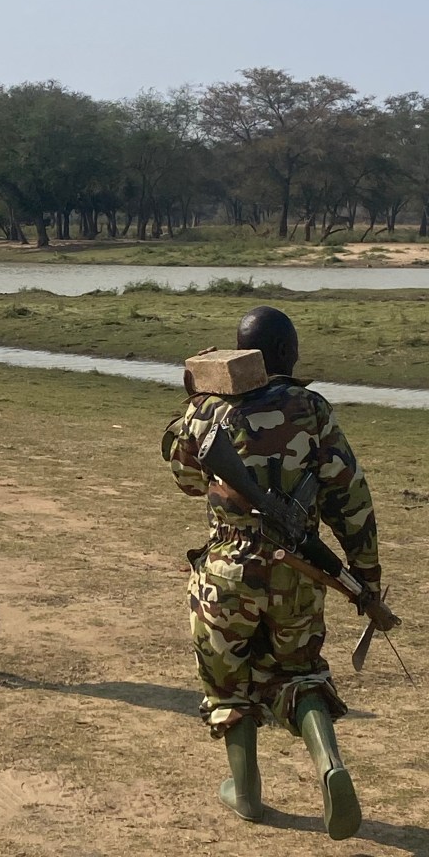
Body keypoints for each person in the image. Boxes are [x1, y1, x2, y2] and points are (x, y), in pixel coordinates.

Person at [162, 306, 397, 840]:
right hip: (297, 571)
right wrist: (366, 579)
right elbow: (350, 499)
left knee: (228, 686)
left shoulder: (208, 410)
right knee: (300, 672)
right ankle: (329, 764)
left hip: (225, 571)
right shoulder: (312, 409)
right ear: (290, 355)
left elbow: (185, 477)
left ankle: (246, 793)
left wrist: (195, 397)